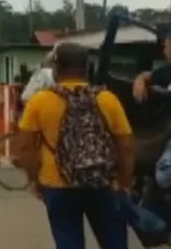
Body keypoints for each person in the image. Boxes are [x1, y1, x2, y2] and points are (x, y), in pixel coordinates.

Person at [18, 42, 133, 249]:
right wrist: (123, 181)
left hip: (57, 183)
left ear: (56, 68)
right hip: (104, 182)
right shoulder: (108, 99)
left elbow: (26, 147)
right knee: (114, 241)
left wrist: (34, 179)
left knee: (68, 239)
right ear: (87, 68)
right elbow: (125, 146)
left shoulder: (39, 101)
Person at [132, 32, 171, 189]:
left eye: (166, 46)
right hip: (165, 132)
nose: (164, 50)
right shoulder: (165, 73)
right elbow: (149, 76)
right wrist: (140, 79)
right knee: (163, 176)